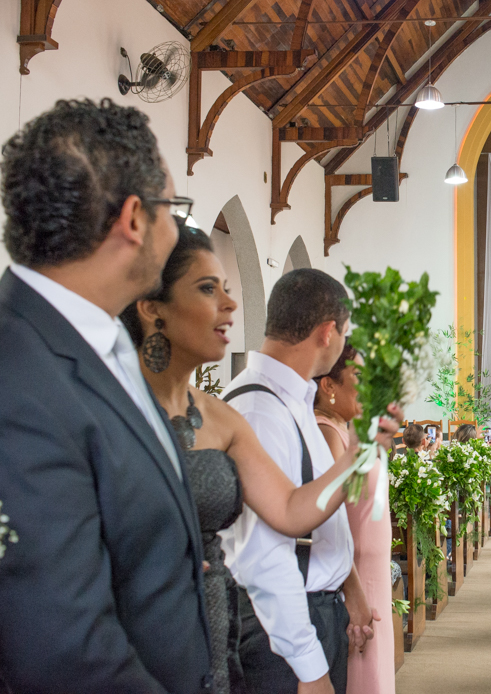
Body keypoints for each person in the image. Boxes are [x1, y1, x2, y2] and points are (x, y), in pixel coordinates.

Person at [120, 223, 397, 694]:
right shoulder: (246, 404)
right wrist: (308, 664)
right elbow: (261, 552)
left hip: (216, 626)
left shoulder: (221, 415)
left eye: (228, 289)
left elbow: (289, 509)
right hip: (154, 620)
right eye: (209, 289)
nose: (230, 305)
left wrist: (363, 453)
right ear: (152, 307)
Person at [0, 98, 212, 692]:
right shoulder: (19, 382)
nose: (177, 231)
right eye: (174, 209)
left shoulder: (100, 340)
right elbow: (63, 648)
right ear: (135, 219)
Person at [221, 269, 390, 694]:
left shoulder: (292, 400)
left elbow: (316, 513)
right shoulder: (260, 408)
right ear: (328, 332)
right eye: (345, 331)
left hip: (316, 607)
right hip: (281, 628)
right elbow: (262, 556)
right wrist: (308, 667)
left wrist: (349, 587)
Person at [314, 343, 395, 694]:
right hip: (359, 574)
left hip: (373, 569)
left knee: (374, 673)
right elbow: (330, 520)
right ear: (328, 386)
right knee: (364, 677)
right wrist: (354, 593)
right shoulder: (327, 432)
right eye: (358, 377)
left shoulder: (346, 429)